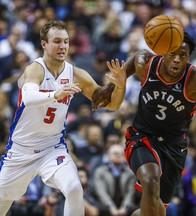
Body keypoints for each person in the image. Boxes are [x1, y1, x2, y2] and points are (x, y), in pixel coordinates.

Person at [95, 31, 196, 216]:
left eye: (182, 56)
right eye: (173, 54)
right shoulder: (146, 63)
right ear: (163, 53)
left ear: (189, 58)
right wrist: (108, 87)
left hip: (174, 145)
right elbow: (130, 64)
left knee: (156, 209)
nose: (177, 59)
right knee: (150, 180)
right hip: (142, 136)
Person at [0, 20, 127, 216]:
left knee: (74, 188)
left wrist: (120, 85)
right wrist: (55, 94)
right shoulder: (35, 69)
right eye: (57, 41)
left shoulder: (76, 74)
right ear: (44, 44)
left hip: (52, 148)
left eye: (66, 41)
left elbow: (112, 104)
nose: (63, 46)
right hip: (21, 150)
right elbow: (29, 97)